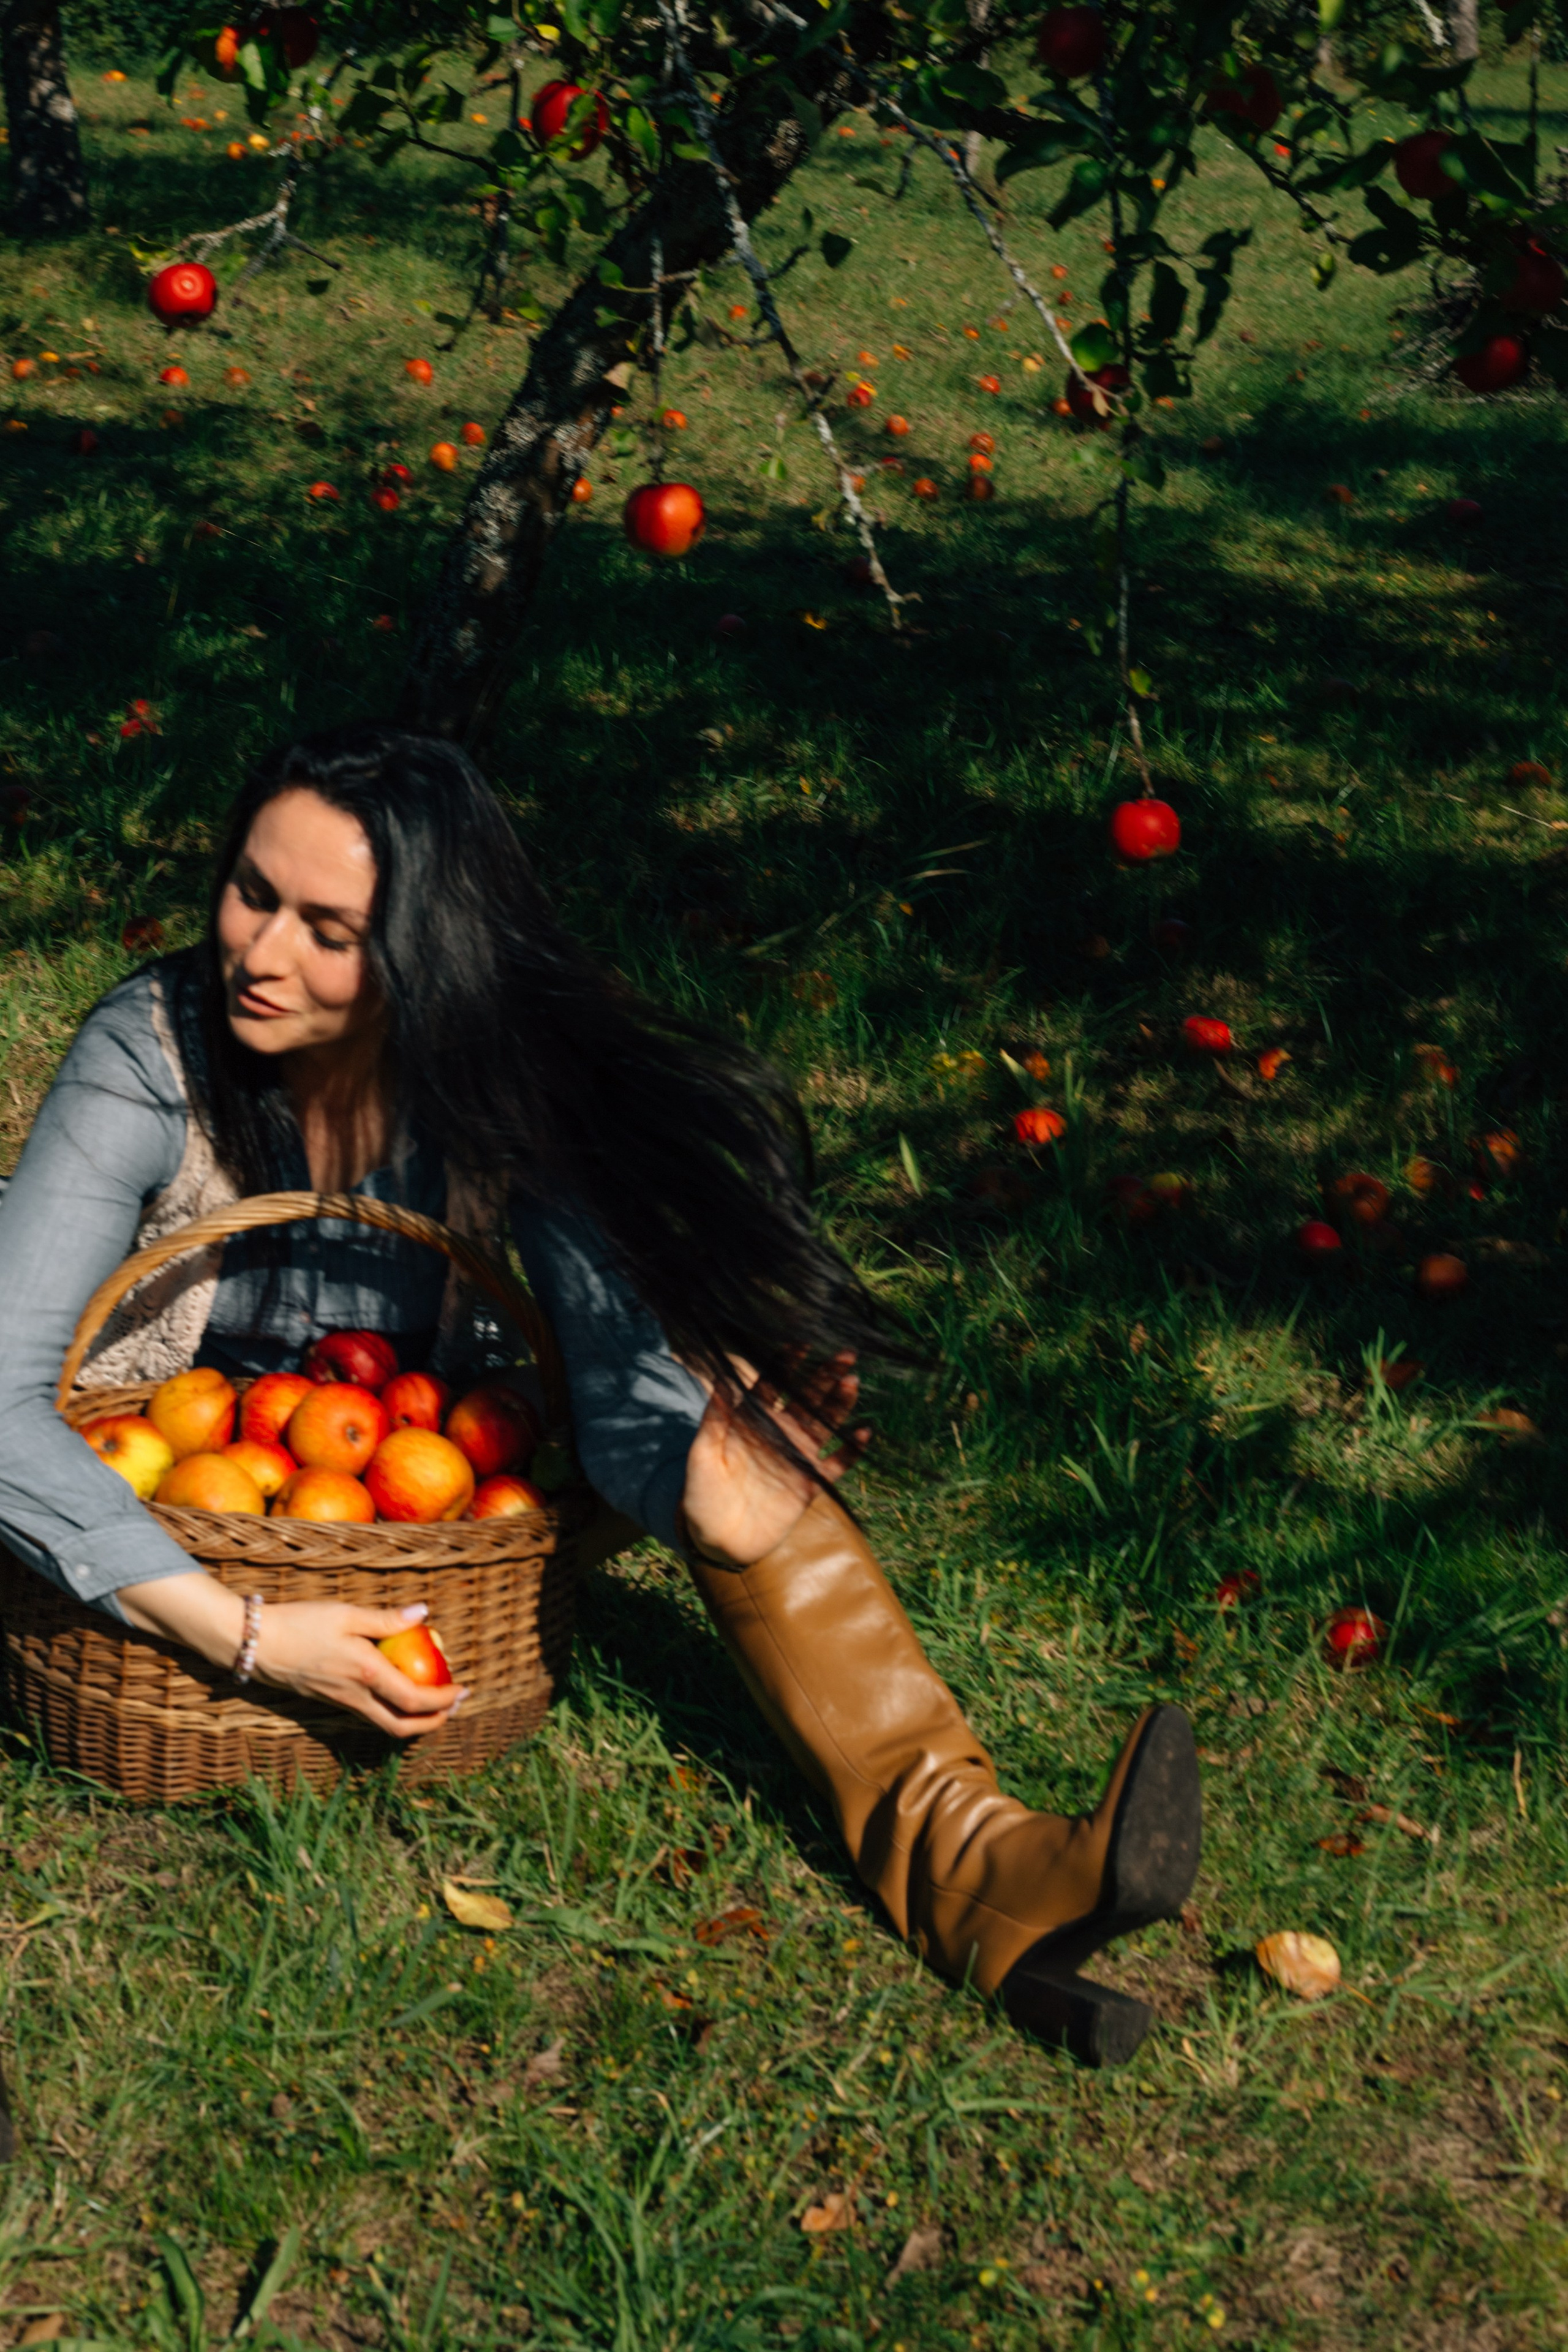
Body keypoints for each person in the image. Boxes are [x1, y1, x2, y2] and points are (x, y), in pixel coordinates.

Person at [0, 723, 1200, 2067]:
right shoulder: (154, 1046)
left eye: (330, 931)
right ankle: (987, 1894)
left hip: (408, 1452)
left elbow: (608, 1352)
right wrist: (248, 1638)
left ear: (421, 954)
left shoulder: (493, 1070)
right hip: (147, 1447)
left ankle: (980, 1867)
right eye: (252, 893)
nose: (263, 954)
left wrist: (708, 1438)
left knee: (725, 1457)